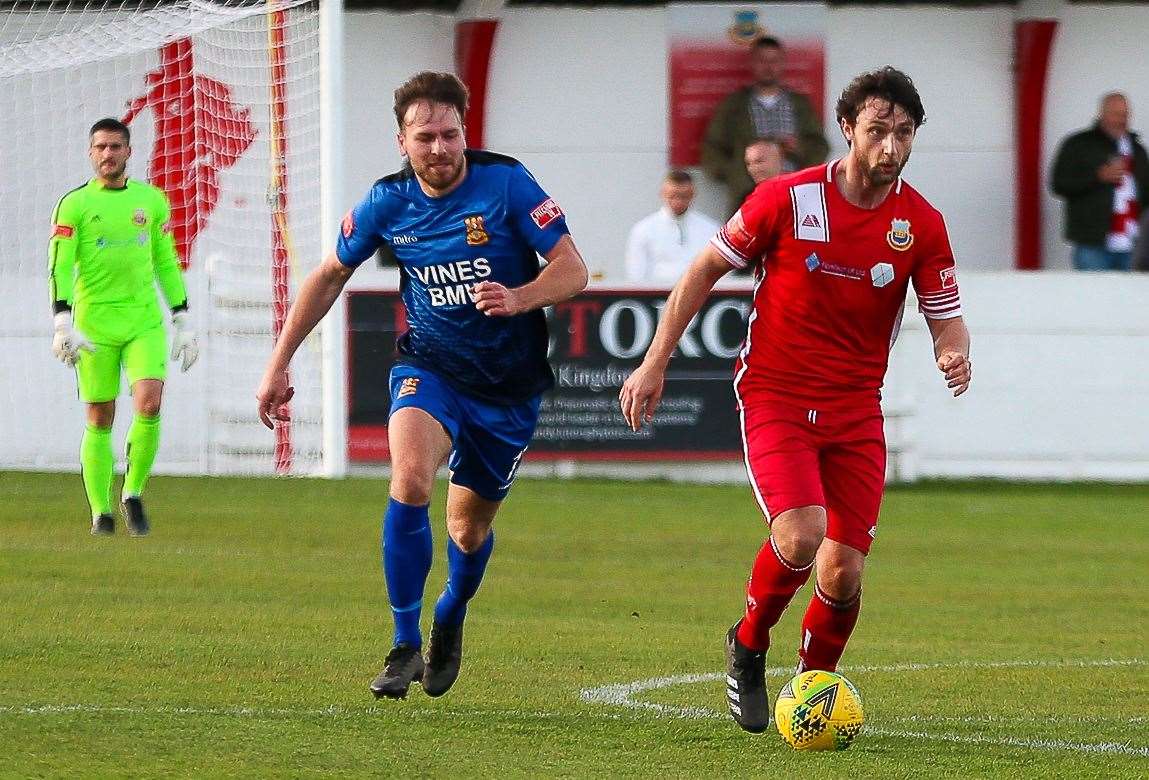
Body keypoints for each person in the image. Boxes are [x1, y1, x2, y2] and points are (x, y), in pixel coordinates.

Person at [620, 66, 971, 734]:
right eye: (876, 131)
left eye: (902, 133)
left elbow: (944, 313)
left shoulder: (919, 223)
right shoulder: (786, 198)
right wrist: (655, 359)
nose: (889, 147)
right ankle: (749, 642)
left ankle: (814, 688)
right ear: (846, 130)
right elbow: (702, 269)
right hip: (775, 394)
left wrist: (951, 349)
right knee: (801, 532)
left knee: (841, 573)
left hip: (854, 406)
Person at [256, 72, 588, 701]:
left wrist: (520, 297)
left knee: (467, 530)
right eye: (425, 137)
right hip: (429, 368)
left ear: (466, 133)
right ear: (402, 141)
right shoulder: (387, 201)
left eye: (450, 134)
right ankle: (404, 643)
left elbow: (571, 270)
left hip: (507, 388)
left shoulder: (508, 183)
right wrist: (280, 361)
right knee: (409, 479)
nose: (440, 148)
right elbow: (329, 275)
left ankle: (450, 615)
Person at [48, 117, 198, 537]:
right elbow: (59, 265)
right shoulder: (74, 204)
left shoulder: (150, 201)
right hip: (95, 323)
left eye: (116, 146)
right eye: (100, 147)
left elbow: (165, 260)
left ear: (129, 152)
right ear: (90, 152)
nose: (108, 154)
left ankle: (132, 493)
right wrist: (62, 320)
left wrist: (182, 316)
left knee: (149, 402)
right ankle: (101, 512)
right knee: (100, 415)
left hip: (143, 321)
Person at [701, 36, 829, 218]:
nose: (768, 66)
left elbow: (820, 146)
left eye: (774, 61)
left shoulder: (799, 104)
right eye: (762, 60)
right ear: (752, 63)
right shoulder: (734, 105)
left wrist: (798, 147)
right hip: (747, 196)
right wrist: (735, 173)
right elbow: (712, 148)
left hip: (794, 194)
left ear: (783, 63)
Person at [1051, 92, 1149, 271]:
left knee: (1133, 298)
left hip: (1134, 244)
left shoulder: (1138, 149)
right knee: (1094, 297)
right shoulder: (1078, 144)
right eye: (1116, 114)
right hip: (1093, 243)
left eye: (1125, 115)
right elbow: (1059, 184)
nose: (1121, 120)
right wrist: (1097, 177)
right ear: (1101, 114)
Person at [624, 170, 721, 285]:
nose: (678, 201)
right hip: (657, 295)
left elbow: (719, 269)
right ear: (662, 193)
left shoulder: (710, 229)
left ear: (693, 195)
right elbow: (636, 273)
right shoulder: (643, 229)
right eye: (672, 196)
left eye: (684, 196)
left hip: (699, 295)